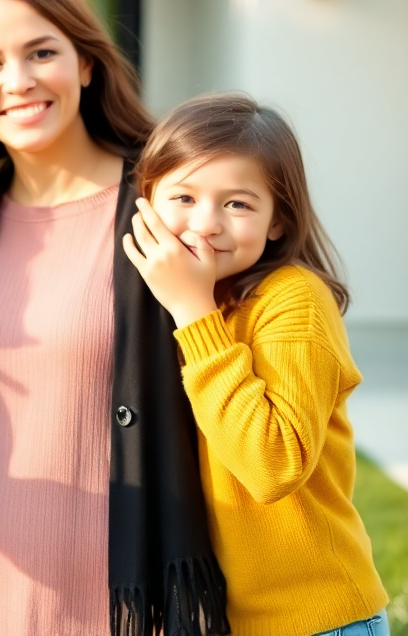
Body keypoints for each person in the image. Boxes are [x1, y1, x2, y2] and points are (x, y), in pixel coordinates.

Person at [0, 0, 229, 636]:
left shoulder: (163, 210)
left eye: (41, 53)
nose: (18, 81)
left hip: (120, 599)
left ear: (86, 63)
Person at [122, 93, 389, 636]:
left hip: (319, 619)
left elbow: (273, 467)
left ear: (277, 221)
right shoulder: (159, 303)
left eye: (238, 204)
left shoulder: (292, 300)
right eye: (184, 197)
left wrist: (193, 310)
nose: (206, 223)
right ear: (146, 204)